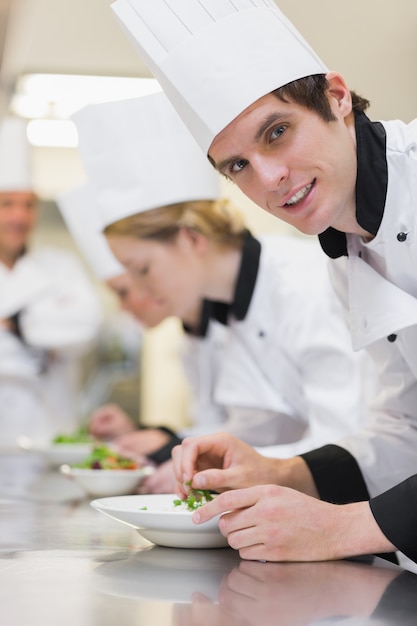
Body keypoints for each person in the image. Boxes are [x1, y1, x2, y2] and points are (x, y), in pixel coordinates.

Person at [111, 0, 417, 565]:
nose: (270, 179)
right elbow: (406, 430)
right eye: (237, 166)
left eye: (277, 132)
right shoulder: (349, 250)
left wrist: (345, 528)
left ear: (337, 96)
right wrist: (280, 471)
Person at [68, 91, 374, 494]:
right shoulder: (218, 313)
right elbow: (251, 431)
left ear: (191, 239)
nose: (142, 293)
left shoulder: (305, 285)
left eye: (142, 270)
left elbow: (350, 446)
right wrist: (175, 448)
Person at [0, 117, 102, 497]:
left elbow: (86, 327)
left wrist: (14, 324)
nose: (19, 217)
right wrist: (45, 338)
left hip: (53, 442)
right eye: (7, 204)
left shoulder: (60, 266)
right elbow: (64, 332)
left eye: (27, 205)